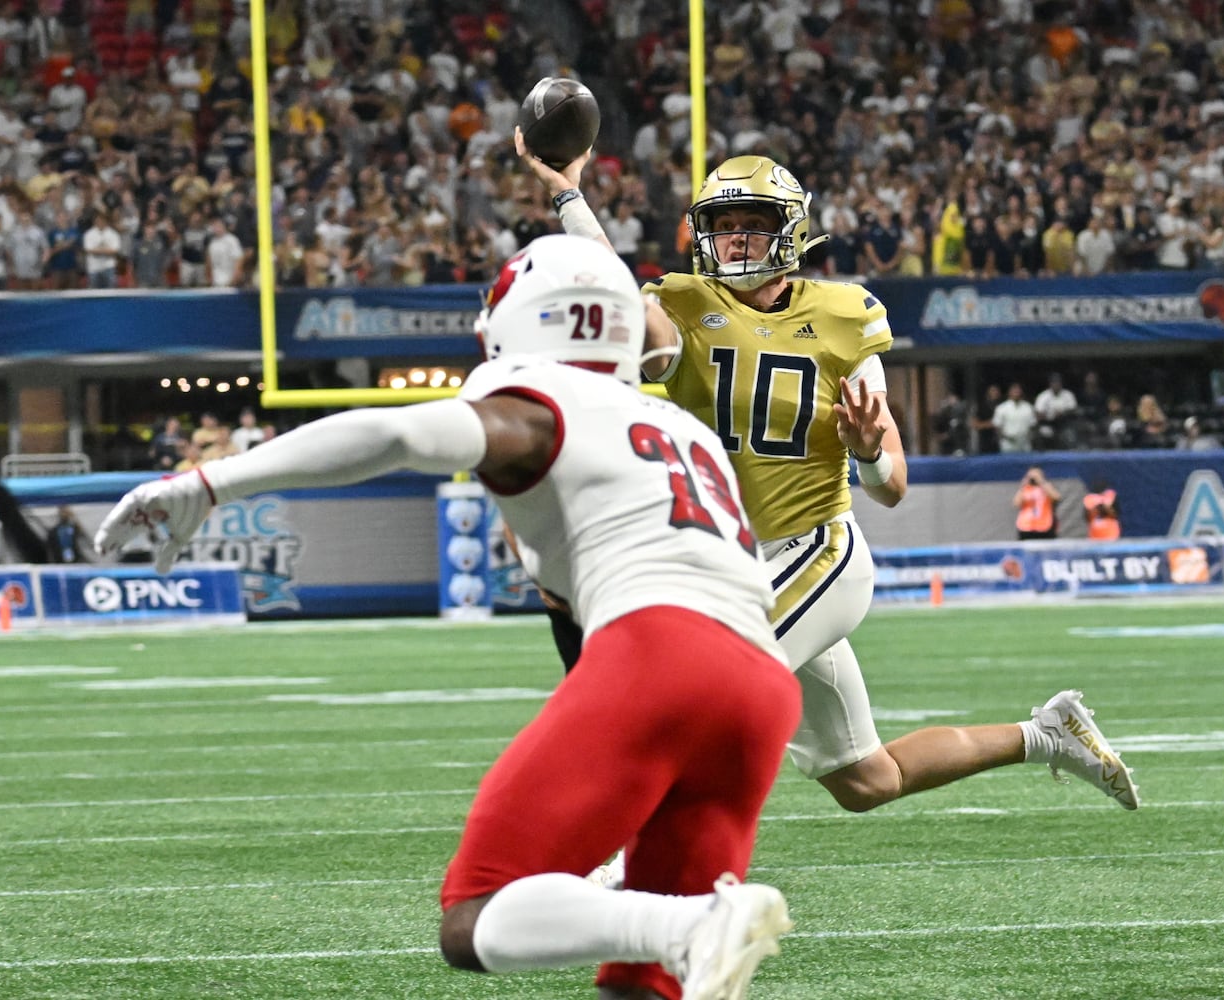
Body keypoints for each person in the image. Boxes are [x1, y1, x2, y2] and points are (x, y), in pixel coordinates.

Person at [93, 235, 801, 1000]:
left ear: (520, 317)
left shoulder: (541, 403)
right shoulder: (683, 429)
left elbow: (396, 435)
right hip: (760, 685)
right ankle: (687, 926)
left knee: (478, 911)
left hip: (663, 650)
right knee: (641, 986)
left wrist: (209, 483)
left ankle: (692, 923)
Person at [523, 139, 1139, 824]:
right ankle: (1047, 735)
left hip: (814, 549)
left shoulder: (843, 315)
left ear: (789, 230)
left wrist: (867, 452)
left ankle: (611, 858)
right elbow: (610, 289)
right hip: (727, 559)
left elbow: (892, 485)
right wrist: (567, 193)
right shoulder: (684, 302)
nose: (735, 239)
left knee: (687, 688)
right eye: (723, 225)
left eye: (752, 223)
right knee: (865, 780)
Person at [1014, 466, 1061, 540]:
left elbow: (1056, 497)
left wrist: (1041, 481)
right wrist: (1023, 485)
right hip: (1026, 526)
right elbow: (1016, 503)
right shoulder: (1026, 488)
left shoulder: (1047, 486)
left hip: (1045, 526)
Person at [992, 382, 1037, 453]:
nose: (1016, 393)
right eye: (1014, 391)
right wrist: (1005, 437)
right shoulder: (1001, 408)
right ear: (1009, 392)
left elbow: (1033, 425)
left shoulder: (1028, 407)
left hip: (1024, 443)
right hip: (1008, 444)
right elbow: (997, 426)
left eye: (1018, 391)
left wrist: (1029, 437)